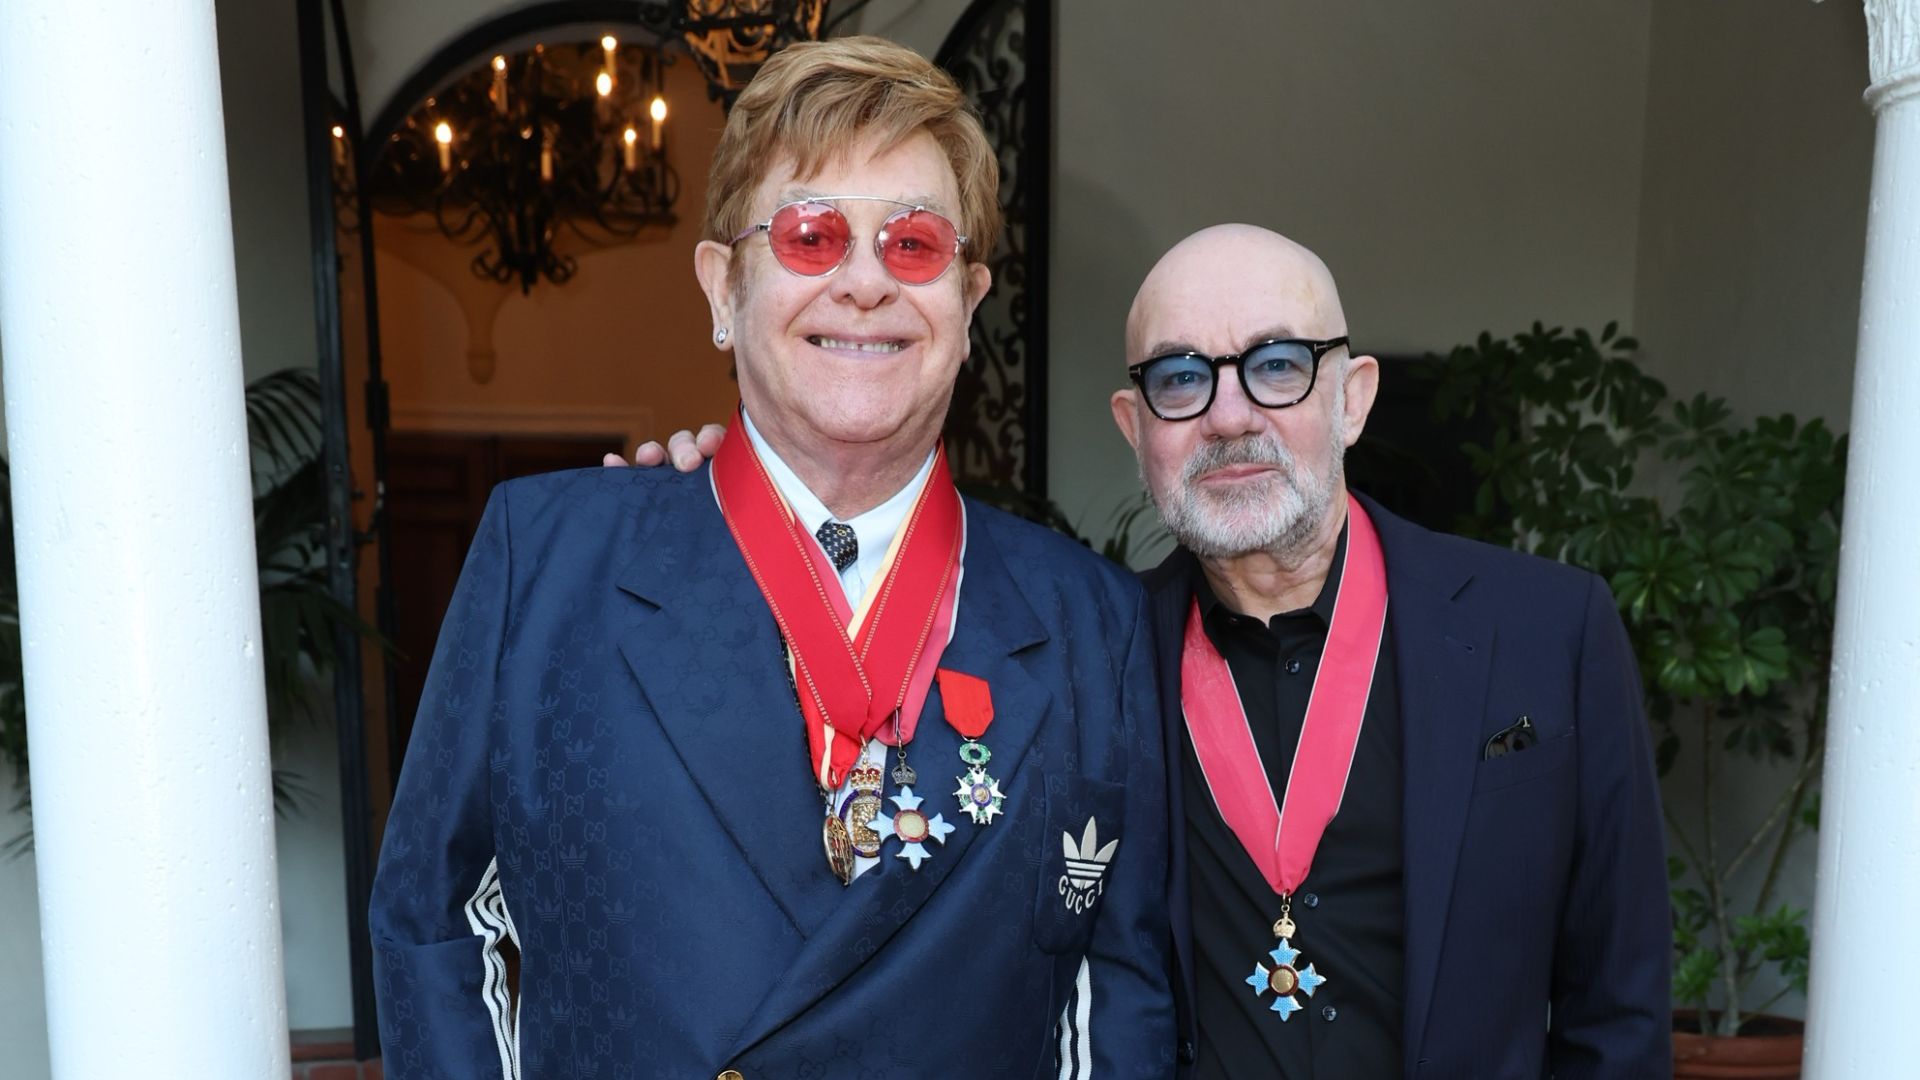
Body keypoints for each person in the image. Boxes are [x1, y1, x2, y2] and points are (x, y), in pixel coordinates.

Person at [637, 224, 1672, 1077]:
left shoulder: (1547, 633)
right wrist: (723, 516)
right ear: (1138, 429)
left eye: (1274, 366)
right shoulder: (1084, 653)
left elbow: (1618, 1018)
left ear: (1349, 397)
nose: (1228, 416)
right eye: (1182, 380)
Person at [371, 37, 1174, 1080]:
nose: (865, 284)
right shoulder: (548, 560)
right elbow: (435, 922)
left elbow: (1115, 1004)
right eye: (810, 236)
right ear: (722, 289)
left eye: (916, 245)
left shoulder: (1090, 624)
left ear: (970, 306)